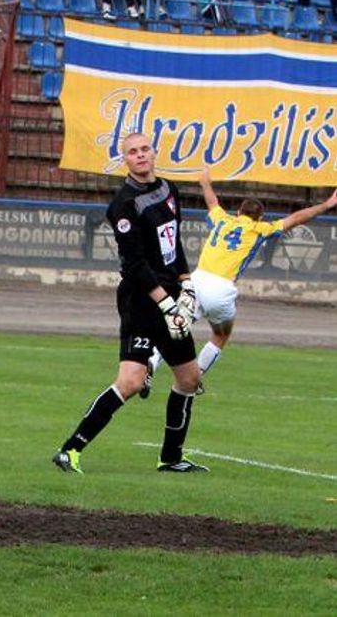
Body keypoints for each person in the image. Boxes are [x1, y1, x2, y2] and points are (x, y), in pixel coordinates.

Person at [52, 132, 205, 475]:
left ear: (154, 153)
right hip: (141, 300)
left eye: (144, 149)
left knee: (189, 379)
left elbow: (173, 244)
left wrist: (187, 285)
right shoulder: (122, 205)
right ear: (125, 160)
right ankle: (70, 450)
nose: (140, 156)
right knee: (131, 381)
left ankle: (170, 458)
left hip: (171, 295)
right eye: (132, 152)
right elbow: (134, 265)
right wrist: (166, 305)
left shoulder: (169, 190)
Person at [145, 170, 337, 394]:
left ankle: (151, 363)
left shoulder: (222, 220)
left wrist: (205, 182)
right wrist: (326, 204)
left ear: (238, 212)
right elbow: (295, 219)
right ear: (260, 217)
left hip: (196, 281)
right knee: (221, 335)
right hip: (221, 288)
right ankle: (194, 378)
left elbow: (212, 201)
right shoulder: (259, 229)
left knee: (176, 328)